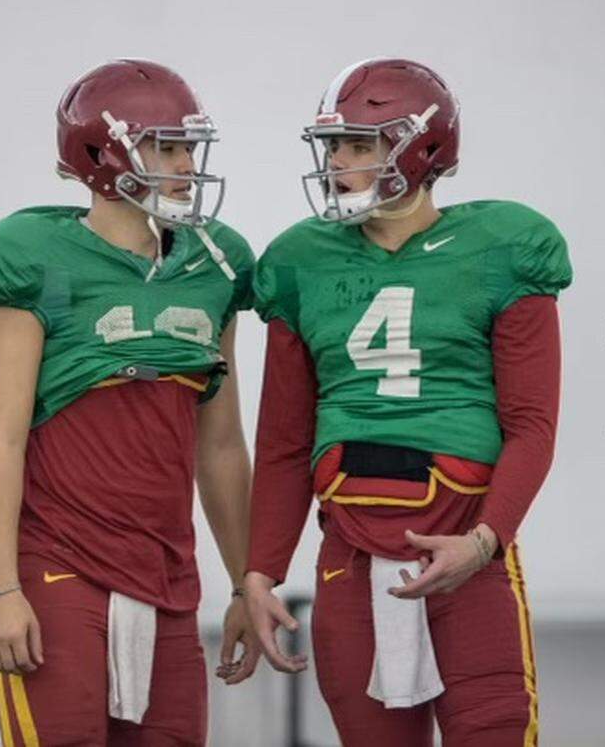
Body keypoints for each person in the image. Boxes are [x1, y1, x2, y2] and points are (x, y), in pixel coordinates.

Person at [244, 57, 573, 746]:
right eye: (332, 145)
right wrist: (260, 572)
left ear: (419, 148)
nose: (337, 162)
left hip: (468, 545)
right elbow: (281, 443)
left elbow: (533, 425)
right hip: (350, 552)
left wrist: (485, 541)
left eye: (358, 144)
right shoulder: (299, 260)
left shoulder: (502, 247)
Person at [0, 59, 259, 747]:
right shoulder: (34, 256)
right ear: (102, 154)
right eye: (166, 145)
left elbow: (219, 444)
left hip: (166, 573)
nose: (187, 162)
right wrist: (0, 589)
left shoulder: (213, 265)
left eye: (189, 145)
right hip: (60, 564)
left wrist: (247, 583)